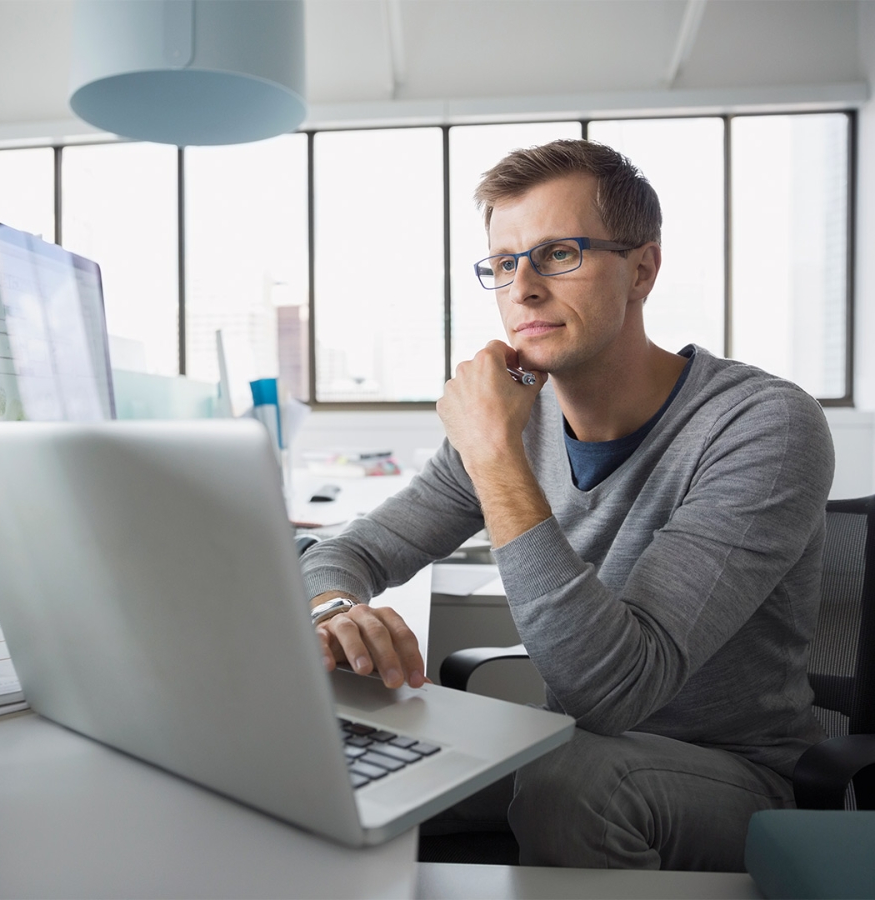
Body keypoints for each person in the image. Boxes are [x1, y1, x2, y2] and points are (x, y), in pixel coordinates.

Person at [300, 139, 835, 871]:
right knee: (335, 772)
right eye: (504, 262)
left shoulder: (763, 425)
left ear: (642, 269)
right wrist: (336, 610)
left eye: (559, 254)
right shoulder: (523, 419)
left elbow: (612, 693)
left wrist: (494, 454)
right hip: (581, 749)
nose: (522, 288)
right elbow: (342, 553)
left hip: (733, 776)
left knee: (570, 780)